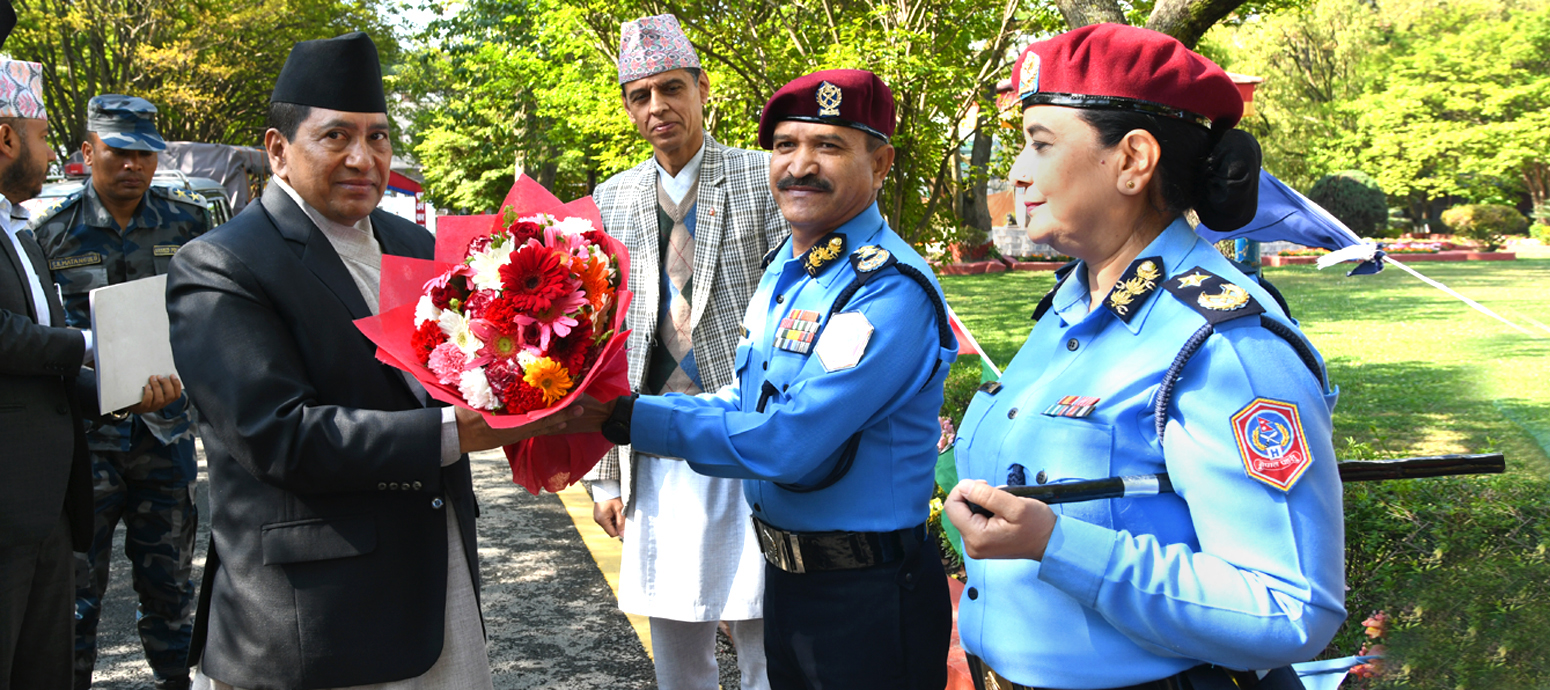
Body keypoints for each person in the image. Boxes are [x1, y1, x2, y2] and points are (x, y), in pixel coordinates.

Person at [165, 33, 581, 690]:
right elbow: (277, 434)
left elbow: (463, 369)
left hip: (435, 578)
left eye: (379, 137)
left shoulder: (412, 242)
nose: (363, 158)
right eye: (336, 137)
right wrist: (456, 433)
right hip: (314, 619)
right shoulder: (223, 264)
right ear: (278, 150)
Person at [942, 24, 1346, 690]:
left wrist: (1056, 543)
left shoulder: (1226, 344)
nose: (1018, 172)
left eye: (1040, 144)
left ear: (1133, 160)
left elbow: (1288, 607)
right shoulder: (1071, 306)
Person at [578, 69, 957, 690]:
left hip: (866, 597)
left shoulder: (887, 289)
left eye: (828, 146)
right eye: (785, 146)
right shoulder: (792, 265)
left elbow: (786, 441)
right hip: (793, 584)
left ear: (881, 163)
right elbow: (742, 396)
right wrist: (623, 408)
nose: (800, 165)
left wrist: (622, 419)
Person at [582, 14, 786, 689]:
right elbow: (599, 343)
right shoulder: (612, 200)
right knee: (676, 646)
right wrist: (604, 477)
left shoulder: (764, 179)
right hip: (653, 445)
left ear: (703, 88)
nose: (657, 108)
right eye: (640, 96)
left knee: (765, 637)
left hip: (744, 441)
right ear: (626, 106)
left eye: (671, 89)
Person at [30, 94, 208, 690]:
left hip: (167, 434)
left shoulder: (189, 225)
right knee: (78, 591)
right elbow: (41, 338)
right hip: (88, 443)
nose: (134, 165)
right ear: (88, 151)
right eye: (119, 151)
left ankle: (174, 683)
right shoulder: (50, 234)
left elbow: (209, 319)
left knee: (171, 585)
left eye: (146, 153)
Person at [0, 54, 96, 690]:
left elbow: (47, 377)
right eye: (41, 136)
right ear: (5, 136)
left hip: (47, 511)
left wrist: (125, 392)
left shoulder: (20, 230)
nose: (50, 153)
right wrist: (87, 344)